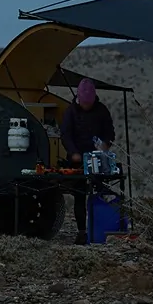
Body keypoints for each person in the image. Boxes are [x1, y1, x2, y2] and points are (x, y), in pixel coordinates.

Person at [61, 77, 115, 244]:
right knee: (79, 195)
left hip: (98, 159)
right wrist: (73, 152)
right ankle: (81, 231)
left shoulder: (101, 110)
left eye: (89, 103)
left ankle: (100, 229)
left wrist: (106, 144)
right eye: (84, 103)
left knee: (100, 192)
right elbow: (66, 134)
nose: (87, 106)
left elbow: (109, 132)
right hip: (77, 161)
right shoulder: (71, 112)